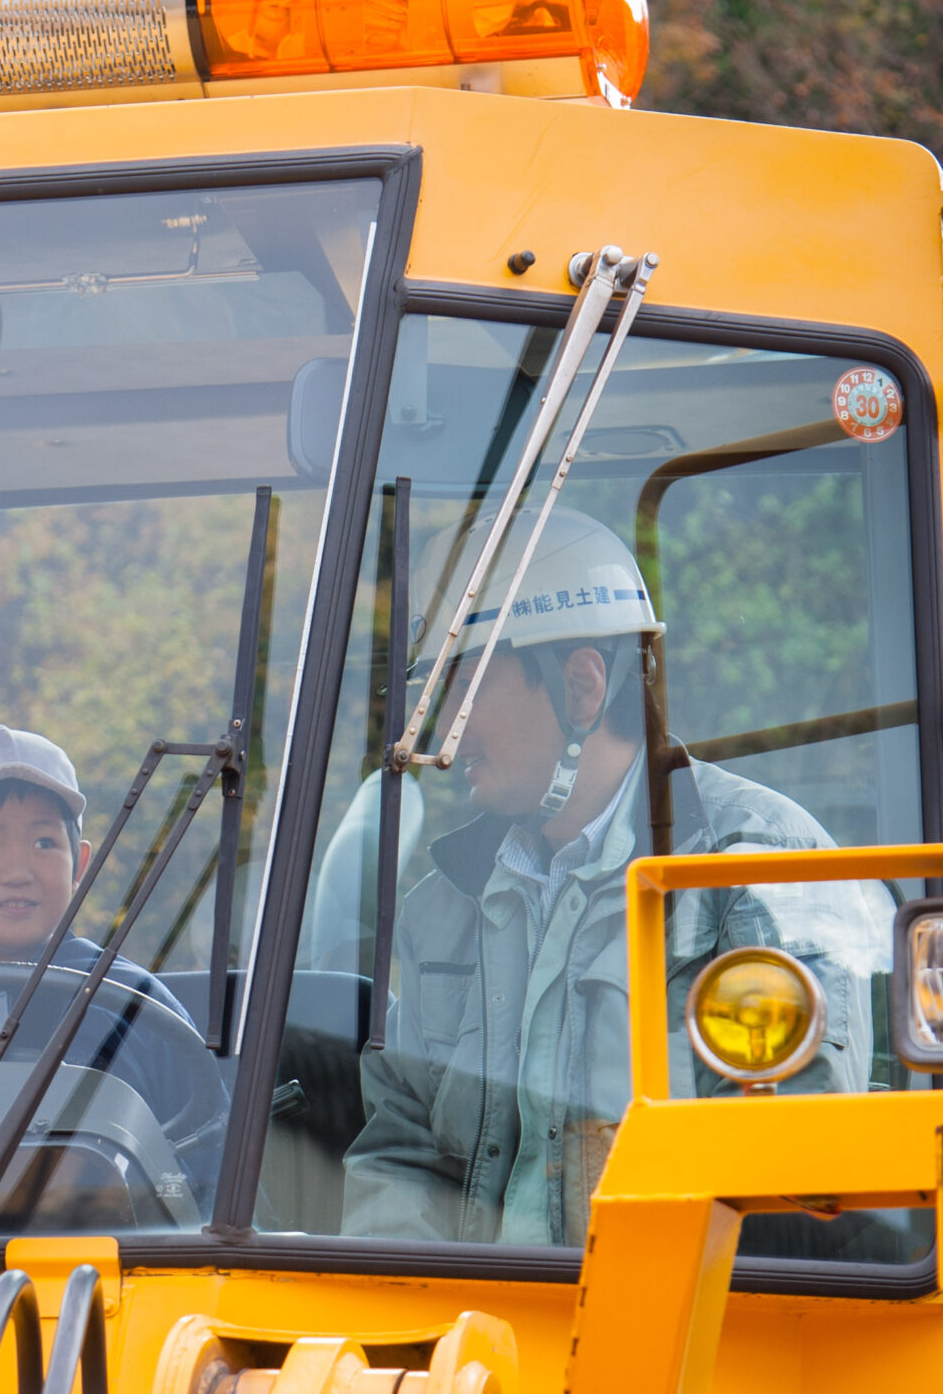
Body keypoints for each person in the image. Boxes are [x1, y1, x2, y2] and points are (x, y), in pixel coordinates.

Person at [341, 510, 891, 1246]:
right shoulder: (441, 909)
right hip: (479, 1345)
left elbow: (793, 1174)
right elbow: (400, 1154)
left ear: (582, 687)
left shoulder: (761, 869)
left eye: (468, 690)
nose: (446, 729)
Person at [0, 725, 216, 1138]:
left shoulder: (138, 1007)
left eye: (44, 842)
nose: (18, 873)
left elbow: (207, 1165)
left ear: (79, 866)